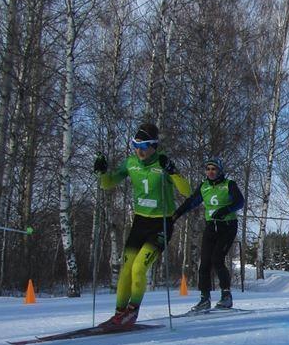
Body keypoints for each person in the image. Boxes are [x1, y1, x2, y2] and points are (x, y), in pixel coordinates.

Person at [94, 122, 192, 328]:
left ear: (154, 146)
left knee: (139, 267)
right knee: (126, 268)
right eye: (135, 145)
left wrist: (173, 171)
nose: (139, 151)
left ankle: (132, 312)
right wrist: (102, 172)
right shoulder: (131, 163)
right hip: (139, 222)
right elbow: (107, 184)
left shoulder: (163, 163)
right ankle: (119, 313)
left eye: (145, 146)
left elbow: (186, 191)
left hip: (161, 224)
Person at [172, 157, 245, 311]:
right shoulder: (204, 186)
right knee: (204, 263)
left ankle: (226, 296)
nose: (211, 172)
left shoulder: (228, 185)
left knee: (217, 259)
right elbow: (192, 202)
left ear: (220, 170)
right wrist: (175, 215)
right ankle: (204, 299)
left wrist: (225, 210)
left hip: (227, 227)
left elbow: (240, 202)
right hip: (211, 227)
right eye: (208, 169)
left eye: (214, 169)